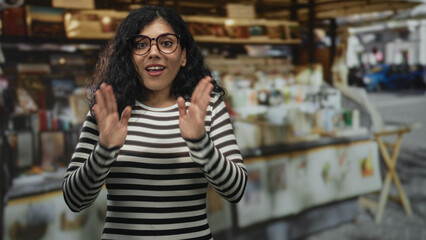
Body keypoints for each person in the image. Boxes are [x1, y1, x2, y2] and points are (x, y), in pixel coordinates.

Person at [62, 5, 247, 240]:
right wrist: (104, 150)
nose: (153, 52)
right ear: (129, 57)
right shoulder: (109, 110)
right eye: (141, 44)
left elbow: (236, 190)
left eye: (167, 43)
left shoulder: (207, 107)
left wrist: (200, 143)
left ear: (183, 56)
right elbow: (74, 200)